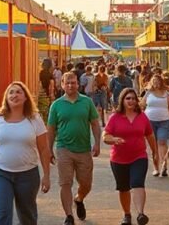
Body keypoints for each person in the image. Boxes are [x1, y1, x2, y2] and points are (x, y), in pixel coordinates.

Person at [0, 81, 51, 225]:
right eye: (11, 92)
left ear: (25, 97)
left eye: (19, 92)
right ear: (6, 98)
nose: (14, 95)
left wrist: (46, 175)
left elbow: (44, 149)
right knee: (3, 216)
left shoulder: (34, 119)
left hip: (27, 175)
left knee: (27, 217)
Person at [47, 72, 102, 225]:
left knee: (86, 184)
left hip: (83, 150)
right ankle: (69, 216)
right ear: (62, 85)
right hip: (64, 148)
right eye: (67, 83)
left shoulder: (86, 102)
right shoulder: (56, 105)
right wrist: (49, 150)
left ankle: (79, 199)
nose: (70, 85)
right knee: (65, 183)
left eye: (73, 82)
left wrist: (97, 143)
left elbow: (95, 124)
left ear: (78, 84)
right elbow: (51, 129)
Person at [103, 87, 158, 225]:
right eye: (128, 98)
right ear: (122, 100)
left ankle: (140, 214)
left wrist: (155, 152)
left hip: (139, 156)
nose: (131, 101)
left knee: (138, 182)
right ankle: (127, 214)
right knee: (123, 188)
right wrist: (113, 139)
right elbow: (105, 136)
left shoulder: (142, 116)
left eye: (133, 98)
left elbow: (150, 135)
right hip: (118, 159)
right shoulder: (115, 117)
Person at [141, 74, 169, 177]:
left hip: (164, 121)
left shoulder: (167, 94)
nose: (156, 83)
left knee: (162, 142)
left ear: (161, 82)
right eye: (154, 81)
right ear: (151, 82)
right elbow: (142, 105)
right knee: (154, 145)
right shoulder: (148, 93)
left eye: (157, 81)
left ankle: (164, 165)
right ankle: (156, 168)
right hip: (150, 121)